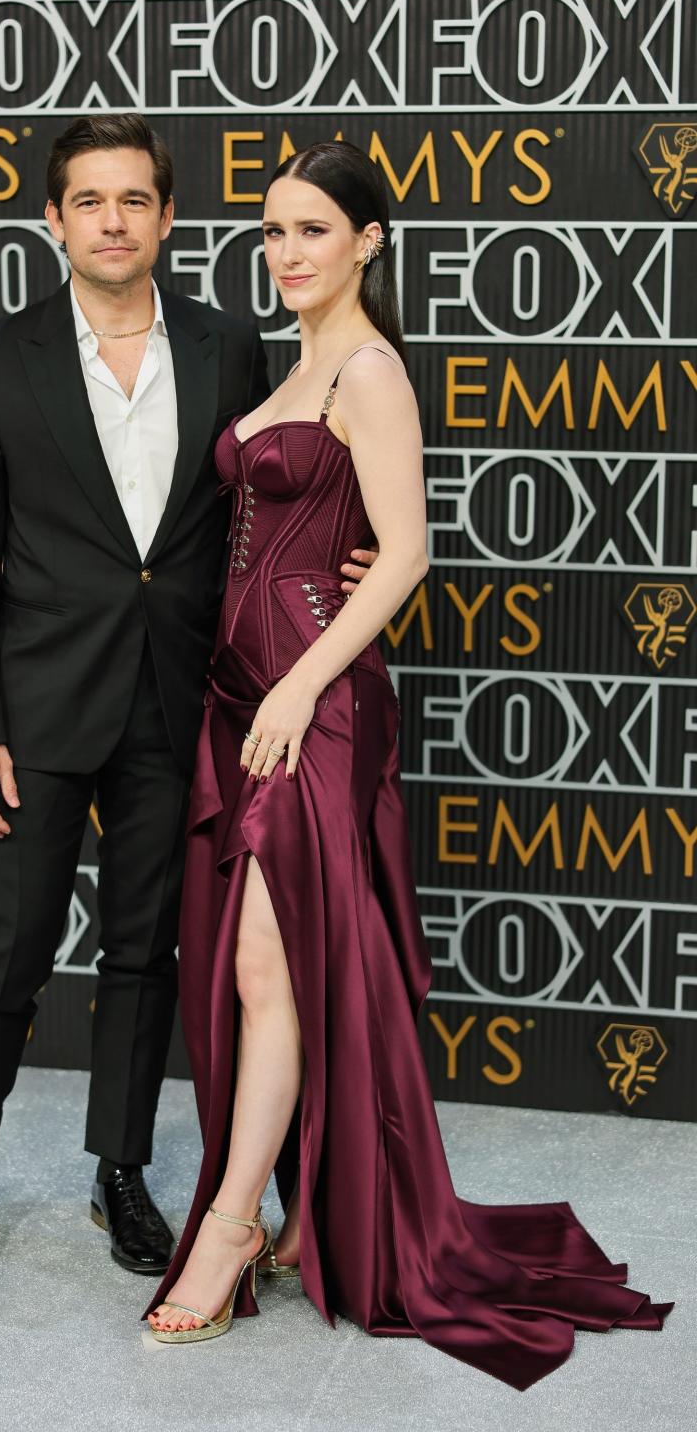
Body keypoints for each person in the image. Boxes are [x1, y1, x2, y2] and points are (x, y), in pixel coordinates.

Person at [145, 141, 672, 1388]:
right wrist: (253, 686)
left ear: (368, 242)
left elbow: (403, 554)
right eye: (272, 231)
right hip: (244, 699)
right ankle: (290, 1215)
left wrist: (299, 682)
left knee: (272, 957)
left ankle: (228, 1232)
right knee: (253, 960)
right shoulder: (294, 363)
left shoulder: (372, 370)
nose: (286, 253)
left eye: (314, 230)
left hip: (312, 703)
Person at [0, 113, 289, 1284]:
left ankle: (120, 1173)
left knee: (144, 956)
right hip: (31, 714)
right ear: (54, 219)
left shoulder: (232, 348)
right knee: (9, 953)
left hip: (176, 704)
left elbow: (256, 531)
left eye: (135, 199)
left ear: (168, 218)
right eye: (90, 200)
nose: (114, 220)